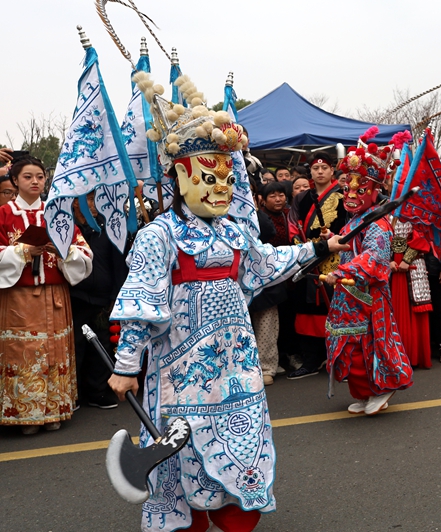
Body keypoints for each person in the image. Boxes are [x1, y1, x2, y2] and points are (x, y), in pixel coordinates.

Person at [106, 89, 349, 532]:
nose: (221, 187)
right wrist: (126, 365)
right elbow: (141, 301)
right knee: (181, 447)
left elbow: (267, 262)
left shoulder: (234, 231)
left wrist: (318, 247)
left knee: (243, 441)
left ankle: (234, 508)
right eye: (209, 177)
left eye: (227, 178)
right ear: (181, 177)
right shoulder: (159, 235)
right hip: (180, 370)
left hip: (237, 364)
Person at [0, 157, 93, 435]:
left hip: (54, 295)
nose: (35, 182)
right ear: (15, 181)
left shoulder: (58, 214)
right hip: (18, 296)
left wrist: (63, 252)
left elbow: (84, 252)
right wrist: (22, 251)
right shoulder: (3, 214)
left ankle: (55, 410)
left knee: (55, 351)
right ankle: (24, 415)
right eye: (28, 177)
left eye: (40, 177)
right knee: (22, 353)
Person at [324, 131, 413, 415]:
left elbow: (374, 257)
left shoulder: (378, 223)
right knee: (351, 345)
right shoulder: (356, 219)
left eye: (360, 190)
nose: (351, 195)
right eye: (348, 189)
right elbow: (351, 246)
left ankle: (382, 387)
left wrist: (343, 271)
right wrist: (333, 240)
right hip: (349, 294)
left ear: (375, 191)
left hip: (368, 296)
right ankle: (364, 392)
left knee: (369, 345)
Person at [287, 152, 347, 379]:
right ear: (310, 172)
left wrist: (334, 239)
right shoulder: (302, 198)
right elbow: (293, 224)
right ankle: (311, 359)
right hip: (307, 259)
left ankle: (340, 358)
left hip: (335, 259)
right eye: (315, 168)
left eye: (324, 168)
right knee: (306, 310)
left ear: (332, 170)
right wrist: (300, 247)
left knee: (335, 309)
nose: (320, 172)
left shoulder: (343, 195)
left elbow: (350, 225)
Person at [71, 192, 128, 409]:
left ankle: (97, 391)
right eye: (89, 199)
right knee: (75, 345)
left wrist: (115, 296)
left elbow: (119, 264)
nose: (94, 204)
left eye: (96, 198)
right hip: (76, 296)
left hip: (103, 297)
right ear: (75, 202)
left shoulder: (109, 226)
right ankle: (74, 393)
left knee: (102, 344)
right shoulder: (67, 228)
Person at [250, 182, 292, 385]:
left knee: (266, 324)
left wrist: (253, 210)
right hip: (233, 280)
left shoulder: (258, 215)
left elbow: (268, 231)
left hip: (264, 277)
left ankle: (267, 367)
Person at [390, 215, 433, 369]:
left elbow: (422, 236)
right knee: (394, 309)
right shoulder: (387, 212)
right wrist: (389, 260)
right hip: (393, 266)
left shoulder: (417, 211)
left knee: (416, 307)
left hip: (413, 263)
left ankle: (414, 355)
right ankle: (396, 355)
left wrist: (406, 260)